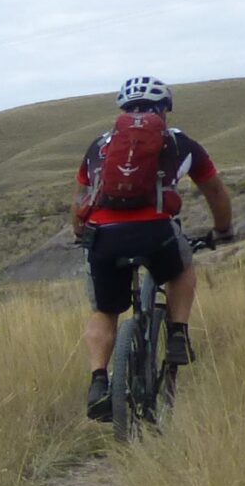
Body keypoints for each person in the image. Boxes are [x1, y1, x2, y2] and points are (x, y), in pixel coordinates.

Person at [73, 75, 235, 422]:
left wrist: (80, 234)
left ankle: (99, 382)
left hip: (103, 234)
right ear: (165, 110)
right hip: (155, 232)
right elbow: (216, 193)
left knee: (105, 311)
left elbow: (80, 201)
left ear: (123, 109)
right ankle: (177, 333)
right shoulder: (179, 142)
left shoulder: (99, 145)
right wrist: (222, 231)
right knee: (182, 267)